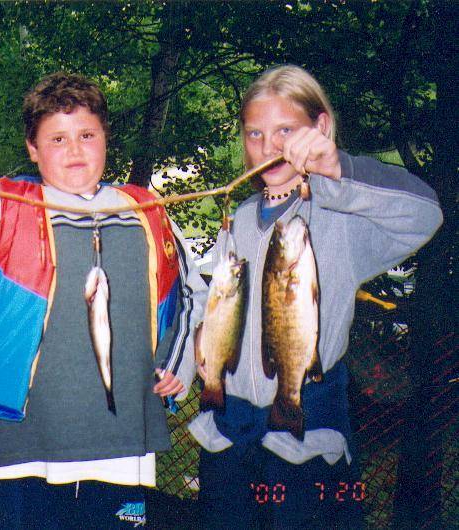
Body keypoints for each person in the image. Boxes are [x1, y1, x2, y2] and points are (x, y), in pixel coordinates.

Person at [0, 72, 207, 528]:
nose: (74, 149)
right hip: (19, 449)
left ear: (106, 140)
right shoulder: (1, 207)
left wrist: (178, 362)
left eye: (86, 135)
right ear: (33, 149)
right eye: (57, 138)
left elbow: (193, 292)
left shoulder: (145, 213)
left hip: (121, 446)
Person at [185, 65, 443, 528]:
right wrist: (188, 367)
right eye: (255, 134)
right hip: (228, 429)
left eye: (286, 130)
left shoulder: (342, 216)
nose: (270, 146)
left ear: (320, 128)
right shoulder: (238, 220)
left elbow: (425, 214)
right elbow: (212, 310)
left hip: (307, 425)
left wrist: (335, 168)